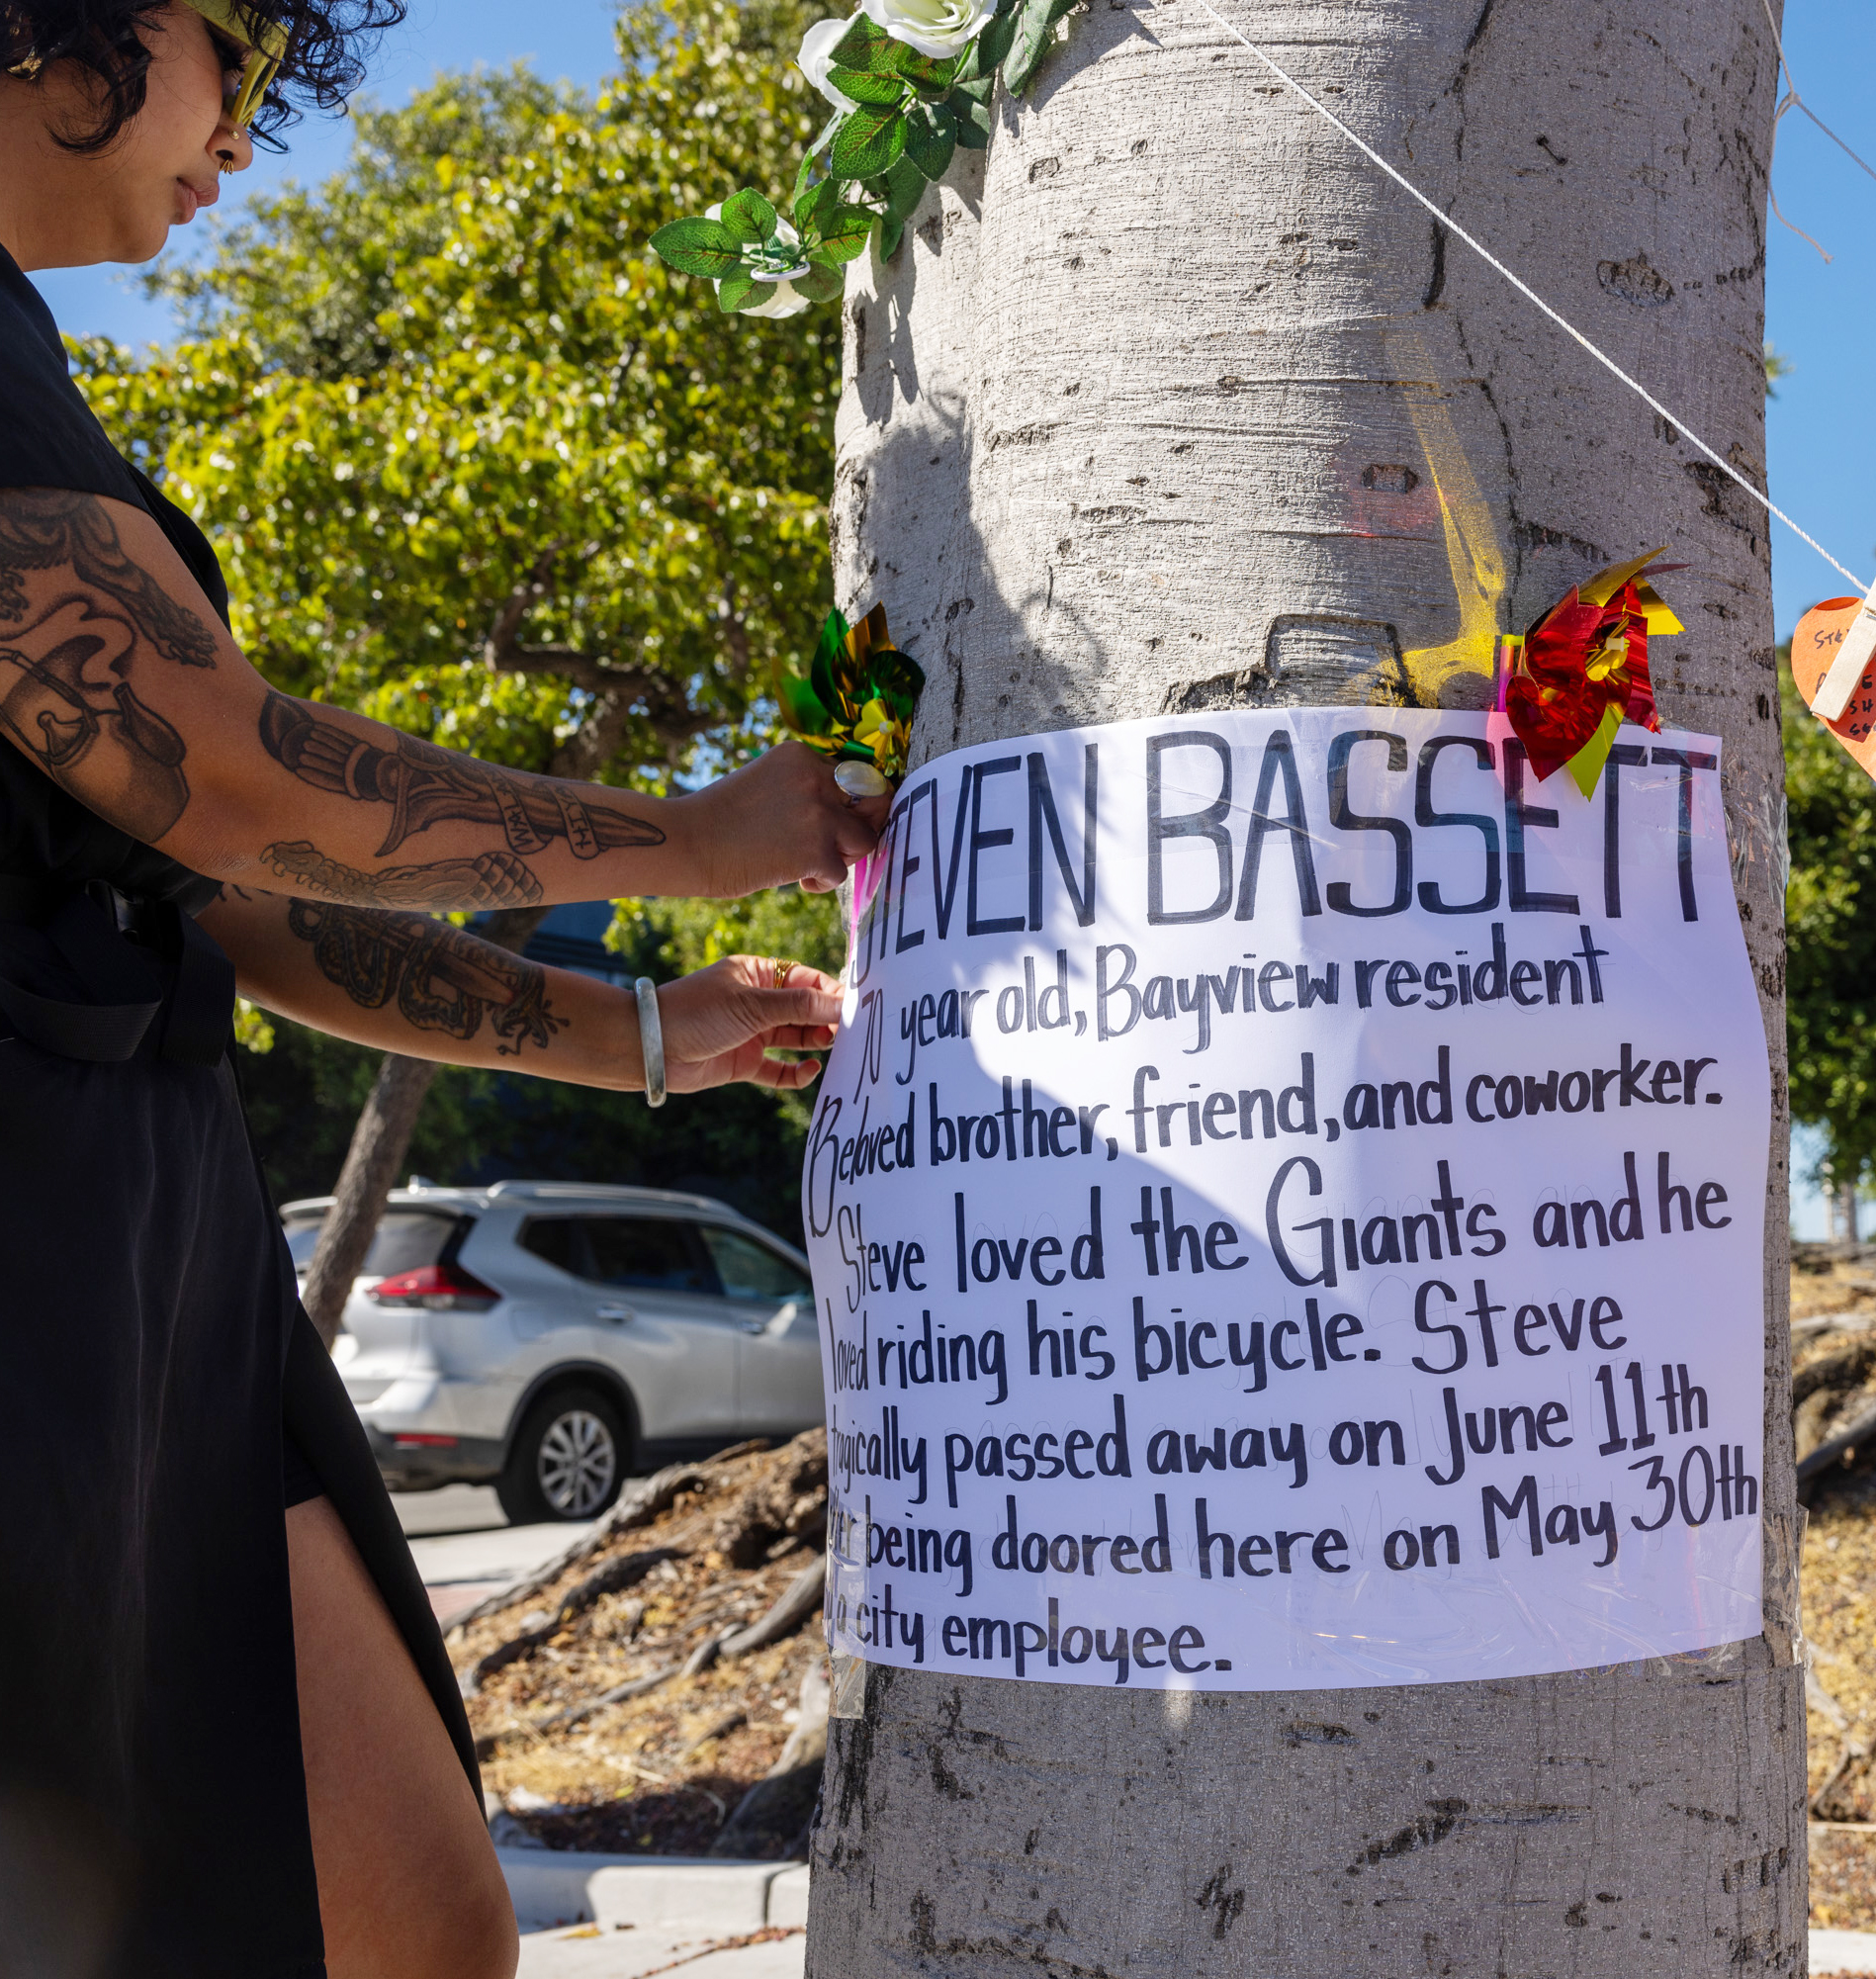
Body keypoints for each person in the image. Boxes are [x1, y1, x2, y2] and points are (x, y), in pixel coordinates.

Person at [0, 6, 883, 1975]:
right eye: (241, 53)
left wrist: (638, 1032)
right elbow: (218, 767)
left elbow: (201, 879)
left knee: (419, 1910)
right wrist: (690, 832)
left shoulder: (31, 359)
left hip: (167, 1246)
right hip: (32, 1263)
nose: (244, 135)